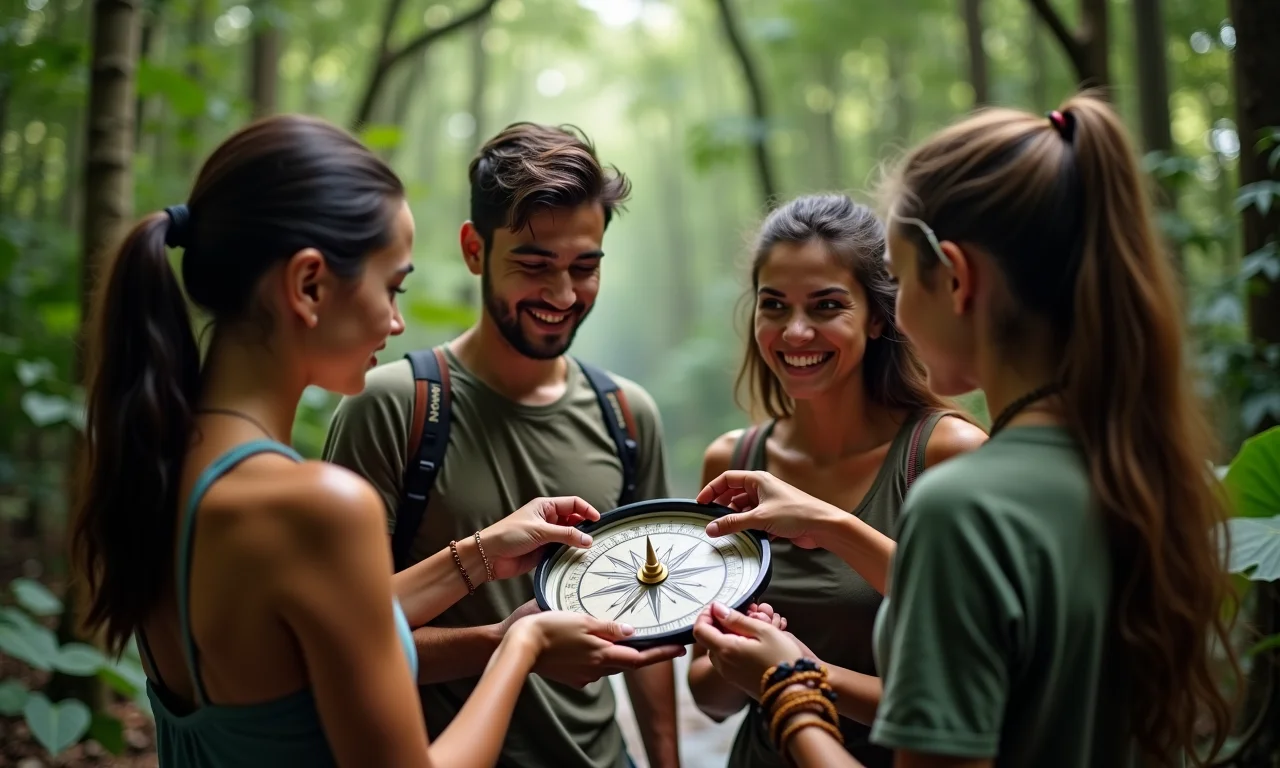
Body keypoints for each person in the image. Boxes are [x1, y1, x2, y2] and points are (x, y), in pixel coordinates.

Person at [70, 114, 670, 768]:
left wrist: (479, 554)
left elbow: (325, 627)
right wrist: (518, 646)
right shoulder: (318, 506)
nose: (396, 319)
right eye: (392, 286)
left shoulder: (159, 466)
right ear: (308, 286)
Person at [688, 94, 1242, 768]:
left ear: (957, 278)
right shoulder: (1122, 460)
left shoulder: (962, 504)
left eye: (895, 279)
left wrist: (789, 687)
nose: (898, 313)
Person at [322, 122, 683, 768]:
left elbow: (647, 623)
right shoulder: (392, 407)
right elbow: (345, 642)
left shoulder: (628, 417)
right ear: (474, 249)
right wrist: (509, 643)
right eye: (534, 265)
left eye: (585, 267)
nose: (564, 295)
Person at [685, 193, 986, 767]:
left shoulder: (948, 455)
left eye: (826, 306)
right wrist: (739, 650)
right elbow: (708, 695)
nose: (795, 332)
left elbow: (981, 687)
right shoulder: (730, 462)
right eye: (774, 305)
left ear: (878, 316)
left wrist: (795, 673)